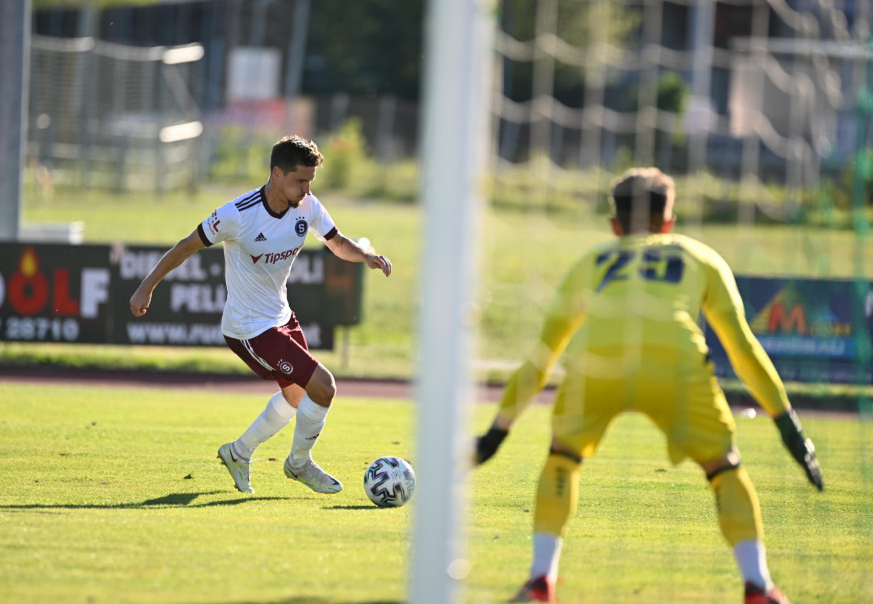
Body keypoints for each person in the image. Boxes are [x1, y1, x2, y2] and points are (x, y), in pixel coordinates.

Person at [474, 168, 822, 603]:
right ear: (669, 223)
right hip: (675, 362)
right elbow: (743, 349)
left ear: (614, 226)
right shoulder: (700, 256)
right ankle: (758, 586)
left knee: (562, 458)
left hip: (598, 362)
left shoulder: (592, 261)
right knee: (724, 468)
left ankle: (541, 580)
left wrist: (497, 431)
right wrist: (789, 426)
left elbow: (542, 357)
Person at [130, 135, 392, 495]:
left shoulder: (308, 206)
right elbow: (186, 245)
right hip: (248, 328)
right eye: (300, 180)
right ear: (277, 173)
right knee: (324, 387)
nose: (307, 188)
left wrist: (366, 257)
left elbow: (336, 241)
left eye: (310, 181)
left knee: (299, 395)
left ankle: (239, 453)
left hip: (281, 317)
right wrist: (148, 285)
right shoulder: (237, 214)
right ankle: (298, 464)